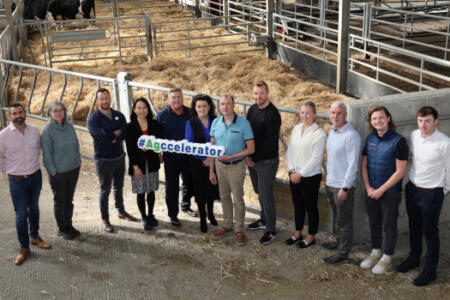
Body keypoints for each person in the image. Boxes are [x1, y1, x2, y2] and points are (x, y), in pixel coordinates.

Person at [396, 106, 449, 286]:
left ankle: (430, 270)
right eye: (420, 121)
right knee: (414, 226)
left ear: (436, 121)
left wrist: (442, 190)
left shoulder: (444, 143)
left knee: (430, 231)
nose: (423, 125)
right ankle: (414, 258)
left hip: (432, 194)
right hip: (413, 189)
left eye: (427, 121)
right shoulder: (414, 135)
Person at [0, 103, 51, 265]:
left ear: (25, 113)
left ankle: (34, 237)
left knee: (34, 208)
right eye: (14, 113)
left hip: (35, 177)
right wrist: (10, 170)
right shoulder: (3, 135)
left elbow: (40, 150)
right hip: (17, 180)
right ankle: (24, 247)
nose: (18, 115)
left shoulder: (35, 131)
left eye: (20, 112)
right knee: (21, 214)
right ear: (10, 116)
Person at [361, 105, 408, 275]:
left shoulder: (399, 141)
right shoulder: (370, 139)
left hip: (390, 193)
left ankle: (387, 257)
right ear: (371, 122)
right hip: (371, 190)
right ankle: (375, 252)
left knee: (389, 225)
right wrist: (367, 187)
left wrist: (381, 189)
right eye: (374, 119)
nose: (378, 121)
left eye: (381, 117)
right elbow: (364, 164)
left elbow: (400, 171)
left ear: (388, 119)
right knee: (374, 222)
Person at [88, 88, 137, 233]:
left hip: (119, 157)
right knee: (105, 190)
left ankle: (121, 210)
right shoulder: (93, 119)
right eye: (101, 99)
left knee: (119, 186)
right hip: (104, 160)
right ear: (97, 101)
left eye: (106, 98)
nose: (104, 101)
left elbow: (125, 132)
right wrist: (114, 135)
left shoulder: (118, 115)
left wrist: (111, 135)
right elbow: (100, 137)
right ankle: (105, 219)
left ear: (110, 99)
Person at [210, 95, 255, 246]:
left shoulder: (244, 124)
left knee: (237, 198)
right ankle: (227, 225)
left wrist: (232, 156)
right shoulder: (216, 122)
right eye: (222, 104)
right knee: (224, 196)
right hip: (219, 165)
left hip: (236, 165)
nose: (225, 107)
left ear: (233, 105)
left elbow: (251, 148)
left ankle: (239, 230)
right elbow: (212, 148)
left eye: (228, 104)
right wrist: (211, 170)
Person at [322, 101, 361, 264]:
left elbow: (353, 164)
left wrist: (345, 187)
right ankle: (338, 242)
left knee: (344, 220)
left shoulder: (351, 135)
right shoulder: (332, 131)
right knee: (338, 216)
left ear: (345, 115)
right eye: (332, 112)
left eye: (339, 113)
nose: (335, 116)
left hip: (342, 185)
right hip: (331, 182)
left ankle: (343, 253)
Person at [285, 101, 326, 249]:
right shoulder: (296, 128)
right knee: (297, 204)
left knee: (311, 206)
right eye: (302, 112)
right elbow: (289, 150)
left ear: (314, 114)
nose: (304, 116)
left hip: (309, 176)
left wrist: (300, 174)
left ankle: (311, 235)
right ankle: (298, 232)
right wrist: (291, 170)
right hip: (294, 173)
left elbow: (316, 159)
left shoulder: (319, 133)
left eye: (308, 113)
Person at [246, 81, 281, 245]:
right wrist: (247, 154)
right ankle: (263, 219)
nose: (258, 97)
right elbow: (247, 133)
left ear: (267, 94)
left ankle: (271, 229)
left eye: (261, 93)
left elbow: (270, 142)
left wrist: (253, 157)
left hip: (266, 161)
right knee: (258, 191)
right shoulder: (252, 109)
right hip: (252, 159)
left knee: (266, 194)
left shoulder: (273, 114)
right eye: (255, 94)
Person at [41, 101, 82, 240]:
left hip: (73, 169)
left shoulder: (70, 126)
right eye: (55, 111)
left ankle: (69, 225)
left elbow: (76, 144)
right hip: (58, 173)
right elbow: (46, 153)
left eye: (60, 110)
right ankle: (62, 228)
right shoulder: (48, 131)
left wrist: (78, 162)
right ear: (50, 114)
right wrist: (52, 171)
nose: (58, 113)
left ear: (64, 112)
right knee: (60, 201)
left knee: (69, 200)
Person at [156, 88, 196, 226]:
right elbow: (156, 136)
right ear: (169, 99)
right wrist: (158, 152)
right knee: (171, 187)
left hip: (188, 156)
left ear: (183, 98)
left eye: (179, 97)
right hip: (170, 158)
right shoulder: (162, 116)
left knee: (189, 183)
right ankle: (173, 214)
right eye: (173, 97)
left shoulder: (191, 113)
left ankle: (185, 205)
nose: (176, 100)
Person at [125, 97, 162, 231]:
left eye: (144, 107)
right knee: (141, 192)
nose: (142, 110)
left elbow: (160, 142)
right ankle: (144, 217)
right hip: (138, 165)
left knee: (151, 190)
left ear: (148, 109)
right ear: (134, 110)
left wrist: (157, 150)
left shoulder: (155, 124)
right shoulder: (130, 127)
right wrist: (135, 167)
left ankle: (151, 214)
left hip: (151, 162)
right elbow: (130, 149)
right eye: (139, 108)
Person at [185, 94, 219, 233]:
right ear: (195, 108)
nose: (202, 108)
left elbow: (220, 139)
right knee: (200, 190)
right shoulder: (191, 123)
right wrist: (203, 158)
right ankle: (203, 218)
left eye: (204, 106)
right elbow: (189, 144)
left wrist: (211, 158)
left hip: (214, 160)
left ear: (209, 107)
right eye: (199, 106)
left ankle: (211, 213)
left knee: (211, 188)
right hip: (197, 162)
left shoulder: (216, 121)